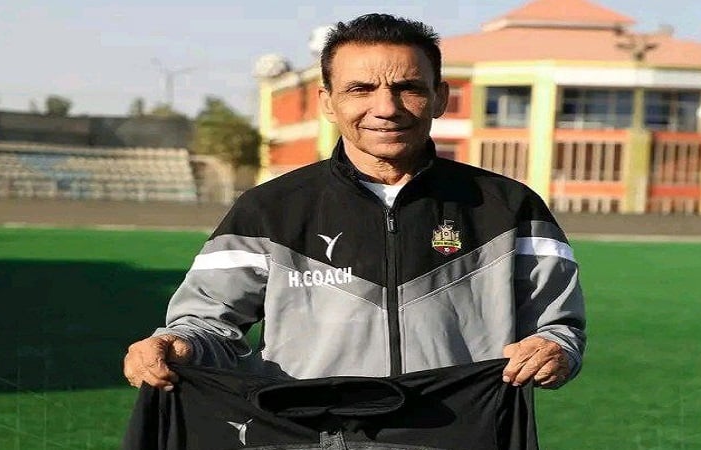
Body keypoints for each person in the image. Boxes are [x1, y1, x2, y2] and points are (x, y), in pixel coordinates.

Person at [123, 13, 585, 393]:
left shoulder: (509, 207)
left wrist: (554, 350)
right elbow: (208, 325)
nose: (386, 108)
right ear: (328, 102)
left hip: (464, 434)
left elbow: (558, 327)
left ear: (439, 98)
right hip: (308, 434)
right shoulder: (268, 210)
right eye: (360, 89)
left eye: (409, 87)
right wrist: (175, 343)